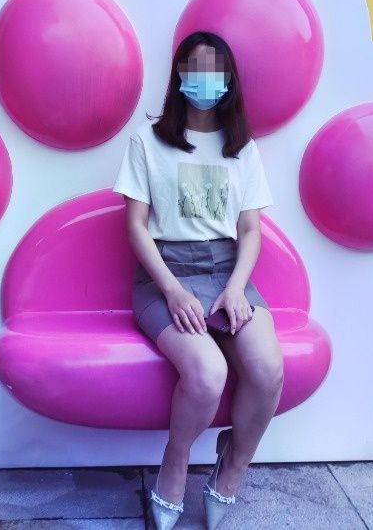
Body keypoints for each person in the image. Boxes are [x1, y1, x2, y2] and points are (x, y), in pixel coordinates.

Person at [112, 31, 284, 530]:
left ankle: (233, 466)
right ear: (179, 75)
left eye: (216, 70)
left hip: (228, 273)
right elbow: (135, 225)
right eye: (195, 67)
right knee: (208, 374)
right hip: (165, 274)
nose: (205, 79)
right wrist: (172, 289)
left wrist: (235, 288)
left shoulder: (242, 148)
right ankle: (176, 460)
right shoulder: (147, 140)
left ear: (229, 80)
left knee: (268, 369)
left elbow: (250, 230)